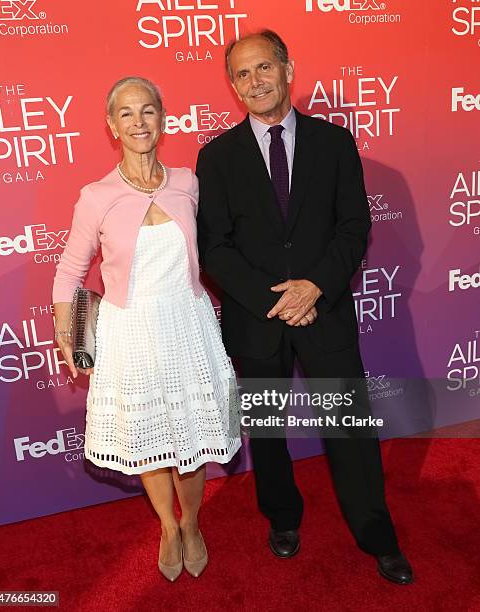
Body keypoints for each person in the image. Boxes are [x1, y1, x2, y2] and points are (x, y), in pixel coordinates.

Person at [195, 31, 414, 584]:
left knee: (350, 430)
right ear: (232, 85)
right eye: (241, 74)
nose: (254, 81)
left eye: (263, 67)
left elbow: (353, 226)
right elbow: (214, 246)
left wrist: (314, 286)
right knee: (267, 430)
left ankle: (377, 534)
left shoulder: (334, 142)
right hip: (256, 318)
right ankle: (282, 518)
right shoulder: (215, 157)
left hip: (326, 309)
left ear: (288, 68)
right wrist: (278, 300)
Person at [52, 76, 241, 582]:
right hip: (129, 332)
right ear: (112, 126)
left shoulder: (188, 182)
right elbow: (70, 271)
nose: (139, 122)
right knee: (152, 443)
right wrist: (66, 334)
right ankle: (168, 526)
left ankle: (194, 523)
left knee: (194, 439)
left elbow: (219, 246)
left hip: (188, 323)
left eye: (148, 111)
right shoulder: (96, 195)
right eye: (127, 114)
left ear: (163, 119)